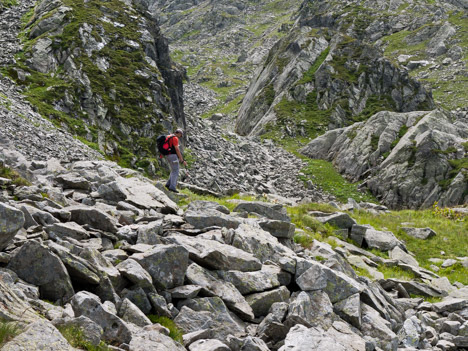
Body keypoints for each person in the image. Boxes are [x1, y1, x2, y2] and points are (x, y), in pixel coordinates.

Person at [165, 128, 187, 193]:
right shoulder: (175, 138)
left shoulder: (168, 136)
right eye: (181, 135)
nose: (181, 137)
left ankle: (168, 184)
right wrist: (182, 160)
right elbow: (177, 150)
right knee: (176, 171)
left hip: (168, 155)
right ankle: (172, 187)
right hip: (173, 156)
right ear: (179, 133)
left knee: (173, 170)